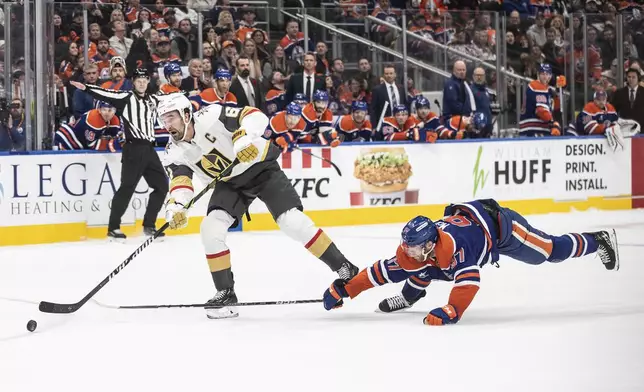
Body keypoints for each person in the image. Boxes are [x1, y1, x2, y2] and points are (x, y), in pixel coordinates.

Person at [156, 93, 359, 319]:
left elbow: (254, 115)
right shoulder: (173, 151)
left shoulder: (211, 115)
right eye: (163, 120)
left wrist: (243, 138)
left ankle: (345, 268)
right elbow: (180, 181)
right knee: (210, 228)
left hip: (261, 168)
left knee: (292, 222)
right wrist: (175, 206)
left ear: (186, 115)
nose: (167, 125)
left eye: (171, 117)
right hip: (230, 183)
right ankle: (225, 293)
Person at [322, 199, 619, 325]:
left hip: (504, 230)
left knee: (550, 252)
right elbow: (379, 273)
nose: (405, 251)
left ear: (428, 243)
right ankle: (409, 298)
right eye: (406, 245)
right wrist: (346, 290)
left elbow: (469, 282)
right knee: (420, 269)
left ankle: (597, 240)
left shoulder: (458, 249)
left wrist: (452, 310)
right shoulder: (416, 252)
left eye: (411, 247)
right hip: (469, 231)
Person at [70, 68, 169, 241]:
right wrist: (85, 88)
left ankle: (149, 225)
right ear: (133, 81)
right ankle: (113, 227)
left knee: (161, 186)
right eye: (138, 80)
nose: (142, 83)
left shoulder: (153, 99)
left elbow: (172, 97)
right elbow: (105, 94)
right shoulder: (126, 97)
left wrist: (190, 93)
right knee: (127, 188)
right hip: (133, 148)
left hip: (149, 149)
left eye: (145, 80)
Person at [54, 101, 121, 151]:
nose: (107, 113)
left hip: (82, 144)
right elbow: (93, 146)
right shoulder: (94, 118)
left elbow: (114, 136)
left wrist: (120, 139)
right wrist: (116, 143)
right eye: (104, 109)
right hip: (67, 139)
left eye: (111, 110)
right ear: (99, 110)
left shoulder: (115, 120)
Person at [519, 63, 562, 137]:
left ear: (551, 76)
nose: (545, 76)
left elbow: (555, 109)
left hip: (534, 129)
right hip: (533, 129)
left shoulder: (548, 89)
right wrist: (553, 123)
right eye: (543, 74)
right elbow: (541, 111)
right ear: (538, 75)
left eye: (548, 74)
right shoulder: (536, 86)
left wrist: (559, 91)